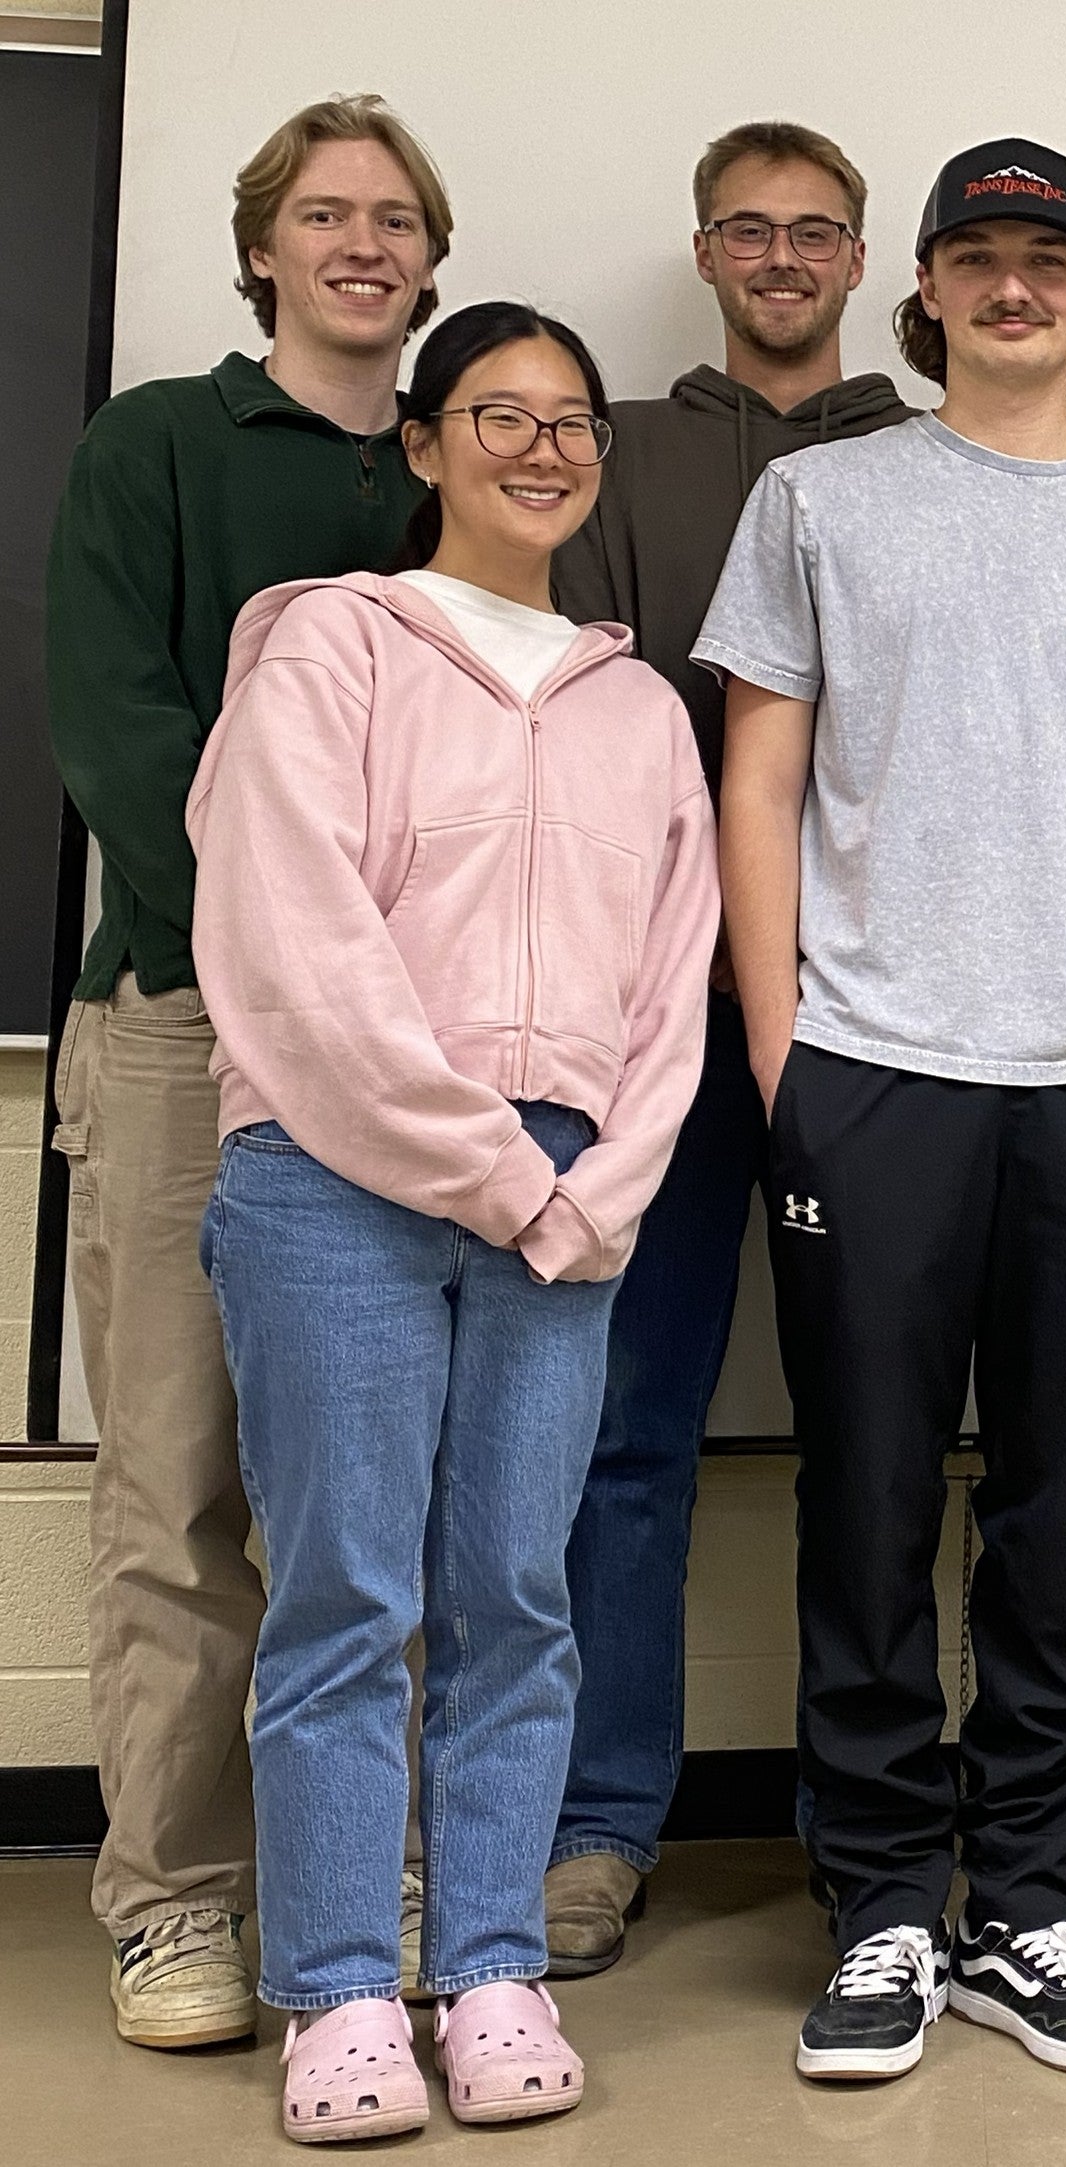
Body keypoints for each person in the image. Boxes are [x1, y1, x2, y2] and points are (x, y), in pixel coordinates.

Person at [699, 137, 1066, 2080]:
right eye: (979, 256)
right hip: (874, 1077)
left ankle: (1029, 1903)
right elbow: (759, 782)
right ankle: (880, 1908)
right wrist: (786, 1058)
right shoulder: (819, 500)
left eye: (1048, 259)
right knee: (865, 1505)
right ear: (927, 290)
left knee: (1056, 1518)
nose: (1014, 286)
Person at [187, 301, 716, 2142]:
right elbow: (293, 949)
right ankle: (338, 1991)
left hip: (566, 1206)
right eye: (499, 415)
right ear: (422, 446)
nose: (543, 448)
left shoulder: (641, 705)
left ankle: (488, 1965)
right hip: (339, 1181)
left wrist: (605, 1187)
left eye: (573, 421)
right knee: (346, 1596)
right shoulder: (330, 649)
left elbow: (676, 983)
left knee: (517, 1597)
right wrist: (498, 1175)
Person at [44, 93, 451, 2051]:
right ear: (264, 245)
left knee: (370, 1499)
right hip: (192, 1028)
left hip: (415, 1051)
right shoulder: (161, 446)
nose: (361, 241)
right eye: (324, 213)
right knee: (179, 1481)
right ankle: (174, 1902)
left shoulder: (467, 468)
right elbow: (120, 735)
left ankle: (352, 1903)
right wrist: (292, 957)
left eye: (394, 216)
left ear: (431, 256)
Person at [541, 118, 911, 1978]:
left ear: (864, 263)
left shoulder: (928, 457)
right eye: (749, 231)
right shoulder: (618, 456)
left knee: (882, 1431)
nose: (781, 259)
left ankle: (878, 1841)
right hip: (659, 1023)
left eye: (816, 233)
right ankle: (600, 1828)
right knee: (628, 1432)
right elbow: (595, 715)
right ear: (704, 252)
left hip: (880, 1029)